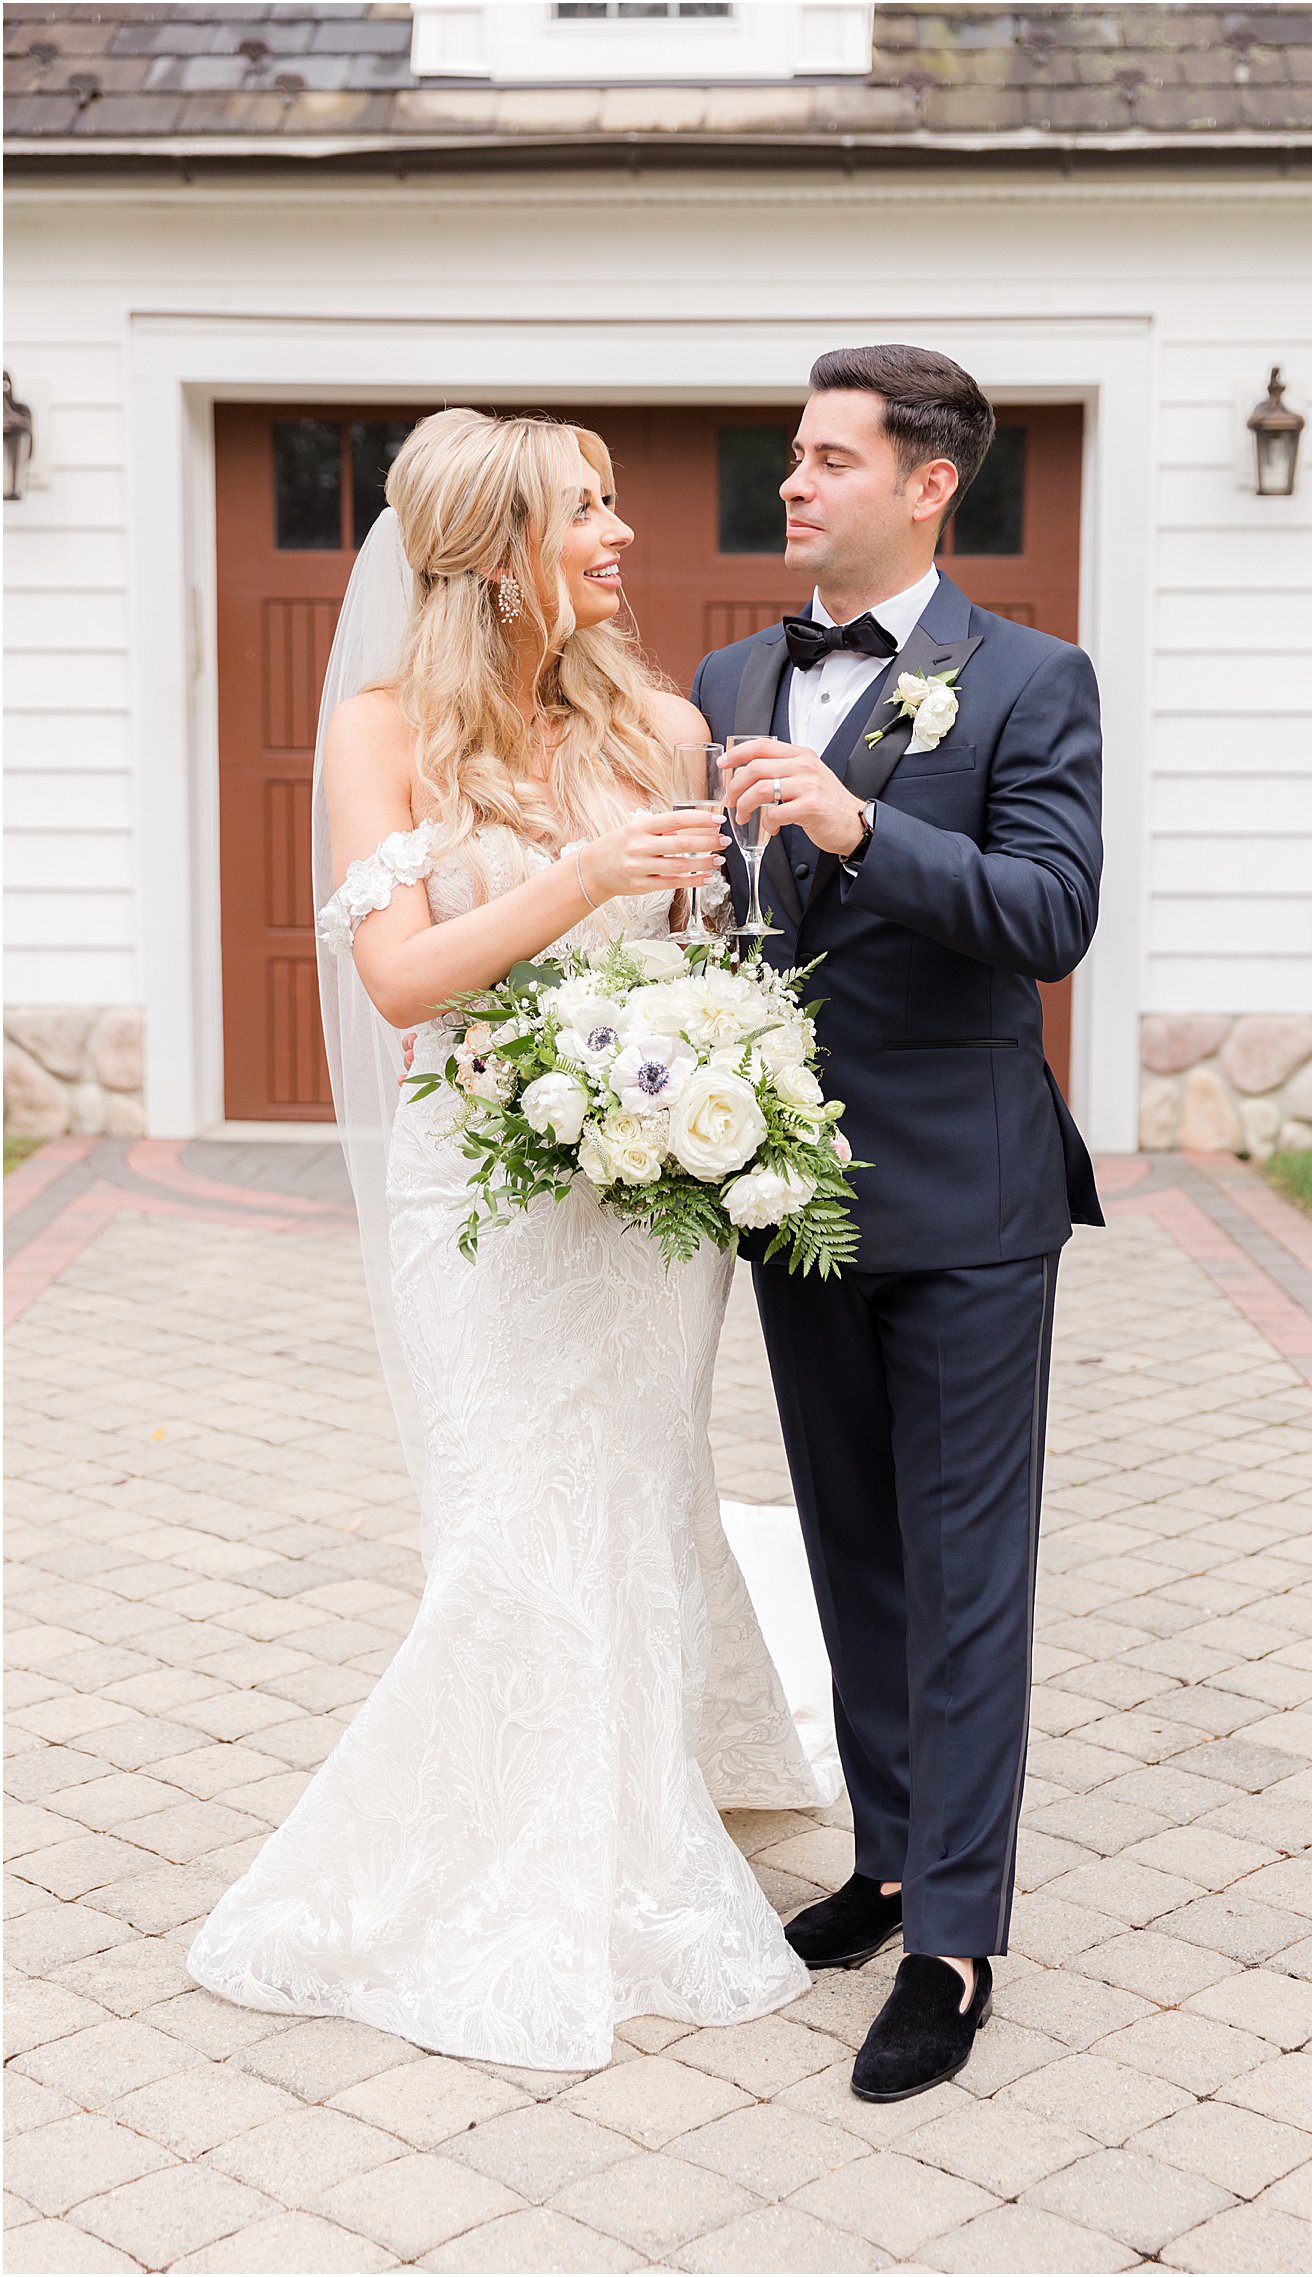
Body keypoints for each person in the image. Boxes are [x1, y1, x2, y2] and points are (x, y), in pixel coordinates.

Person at [186, 408, 827, 2071]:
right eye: (585, 511)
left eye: (616, 503)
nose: (622, 536)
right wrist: (581, 871)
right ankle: (481, 1859)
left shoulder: (668, 725)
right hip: (477, 1192)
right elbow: (400, 978)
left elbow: (700, 962)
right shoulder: (381, 734)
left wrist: (730, 1080)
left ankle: (642, 1813)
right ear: (488, 554)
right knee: (505, 1523)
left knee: (638, 1491)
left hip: (644, 1196)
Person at [694, 343, 1104, 2102]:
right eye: (793, 454)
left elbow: (1050, 911)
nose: (792, 482)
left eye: (828, 457)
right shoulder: (727, 671)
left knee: (962, 1574)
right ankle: (878, 1857)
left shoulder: (1031, 679)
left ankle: (954, 1937)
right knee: (851, 1548)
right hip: (793, 1198)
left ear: (930, 483)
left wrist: (863, 825)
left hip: (968, 1201)